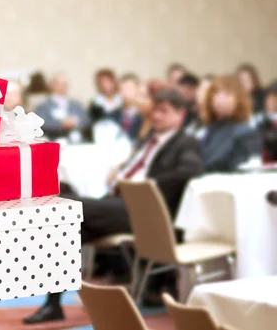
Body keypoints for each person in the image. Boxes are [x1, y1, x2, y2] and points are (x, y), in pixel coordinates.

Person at [24, 89, 204, 324]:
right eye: (155, 111)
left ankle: (48, 291)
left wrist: (142, 185)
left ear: (180, 115)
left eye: (164, 111)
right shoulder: (150, 139)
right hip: (120, 205)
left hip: (146, 211)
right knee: (67, 230)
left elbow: (191, 171)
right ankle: (53, 303)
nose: (157, 116)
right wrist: (122, 171)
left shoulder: (185, 142)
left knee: (66, 208)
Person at [200, 75, 262, 172]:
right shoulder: (210, 131)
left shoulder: (246, 133)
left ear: (238, 99)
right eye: (215, 93)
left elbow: (242, 170)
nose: (219, 99)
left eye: (226, 94)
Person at [35, 72, 89, 141]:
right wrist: (61, 124)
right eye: (58, 84)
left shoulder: (76, 104)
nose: (62, 87)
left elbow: (87, 120)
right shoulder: (43, 106)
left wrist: (75, 122)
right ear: (52, 85)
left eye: (64, 84)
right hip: (54, 141)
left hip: (76, 142)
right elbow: (42, 123)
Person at [118, 73, 140, 142]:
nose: (126, 93)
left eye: (129, 89)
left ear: (138, 89)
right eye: (122, 89)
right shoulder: (112, 115)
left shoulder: (145, 116)